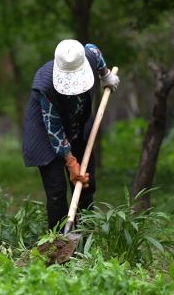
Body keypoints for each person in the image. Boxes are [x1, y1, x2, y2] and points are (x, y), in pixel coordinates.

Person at [22, 39, 120, 230]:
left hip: (78, 127)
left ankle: (86, 234)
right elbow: (54, 128)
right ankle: (59, 240)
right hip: (46, 135)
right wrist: (71, 162)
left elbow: (94, 51)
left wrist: (105, 75)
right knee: (57, 191)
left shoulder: (88, 56)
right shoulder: (46, 85)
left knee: (86, 184)